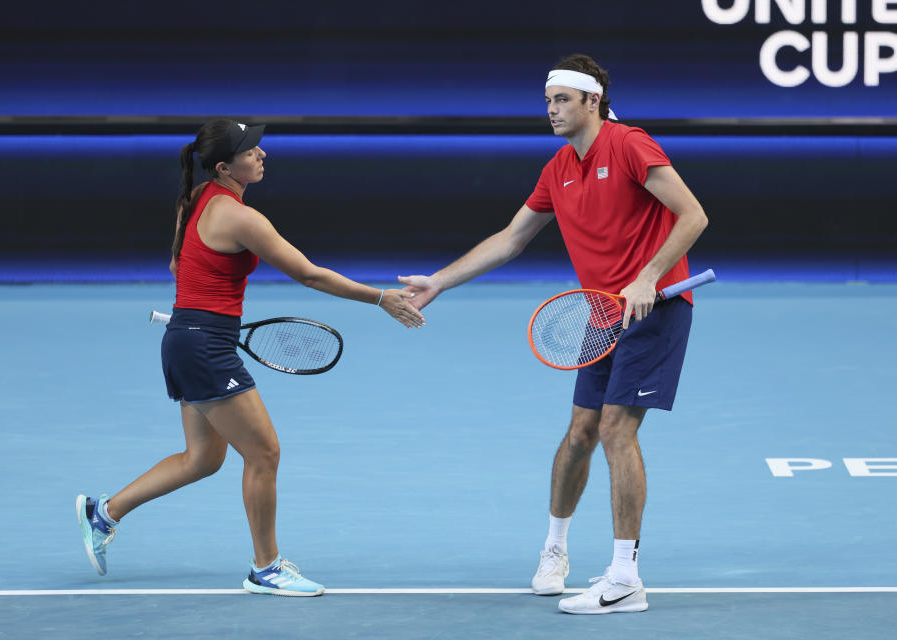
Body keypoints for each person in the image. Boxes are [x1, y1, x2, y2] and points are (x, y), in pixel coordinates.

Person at [399, 54, 708, 614]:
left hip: (652, 309)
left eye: (562, 100)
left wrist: (648, 277)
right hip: (600, 313)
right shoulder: (558, 167)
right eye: (547, 102)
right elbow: (511, 238)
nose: (551, 111)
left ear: (592, 100)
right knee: (580, 434)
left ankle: (624, 578)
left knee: (617, 430)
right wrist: (439, 282)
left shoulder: (631, 144)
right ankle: (554, 550)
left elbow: (692, 215)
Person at [76, 118, 425, 596]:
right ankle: (266, 568)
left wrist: (205, 311)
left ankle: (104, 512)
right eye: (251, 150)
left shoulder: (194, 197)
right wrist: (379, 298)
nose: (262, 155)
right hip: (204, 348)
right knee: (264, 452)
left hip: (185, 338)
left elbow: (179, 264)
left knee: (202, 459)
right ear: (225, 166)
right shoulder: (242, 217)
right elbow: (309, 275)